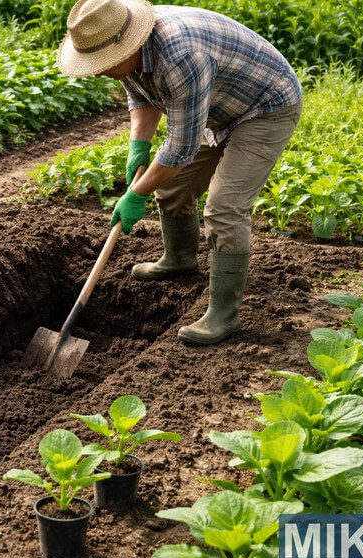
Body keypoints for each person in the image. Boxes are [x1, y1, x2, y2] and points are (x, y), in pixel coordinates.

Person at [57, 0, 302, 345]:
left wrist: (136, 193)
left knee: (224, 207)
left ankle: (223, 315)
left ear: (128, 46)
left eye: (102, 64)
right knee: (173, 188)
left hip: (265, 106)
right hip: (215, 105)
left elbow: (180, 149)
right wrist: (138, 149)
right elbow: (141, 98)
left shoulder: (180, 55)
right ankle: (180, 260)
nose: (97, 71)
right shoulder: (125, 46)